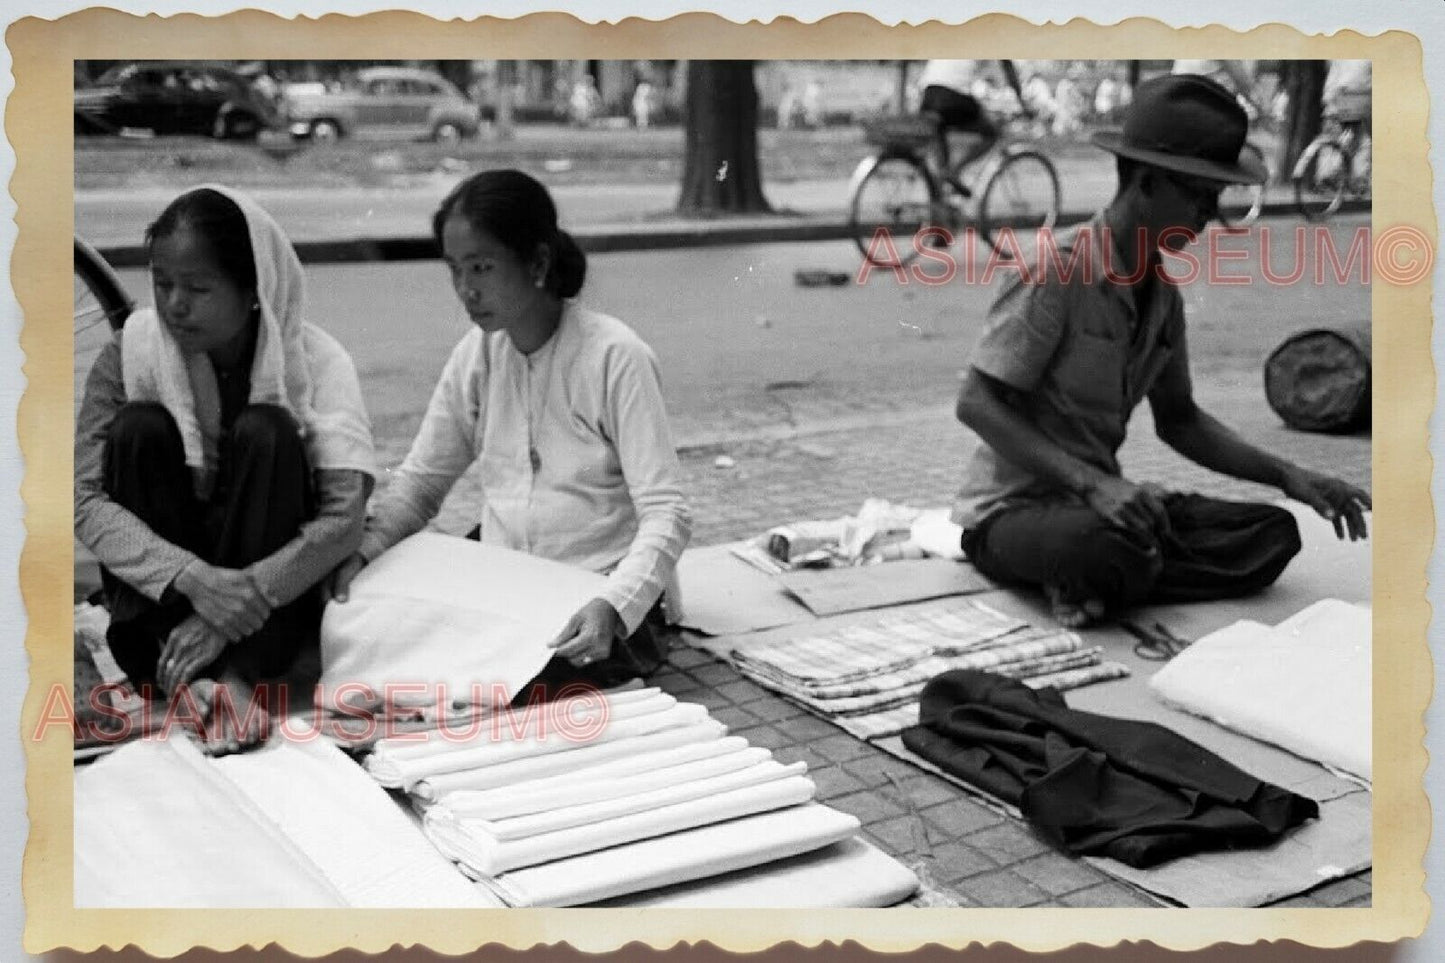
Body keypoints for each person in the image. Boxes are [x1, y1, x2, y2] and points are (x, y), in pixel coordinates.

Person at [951, 74, 1370, 627]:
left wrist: (1290, 476)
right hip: (1014, 514)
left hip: (1104, 505)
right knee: (1103, 549)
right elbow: (976, 404)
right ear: (1146, 183)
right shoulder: (1058, 269)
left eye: (1214, 197)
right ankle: (1100, 569)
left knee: (1273, 534)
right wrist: (1094, 485)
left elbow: (1181, 420)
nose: (1206, 214)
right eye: (1196, 195)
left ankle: (1107, 578)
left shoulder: (1162, 295)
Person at [327, 169, 692, 689]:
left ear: (538, 262)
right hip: (505, 579)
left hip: (596, 590)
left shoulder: (615, 357)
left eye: (480, 267)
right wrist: (364, 552)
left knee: (517, 676)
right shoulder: (476, 355)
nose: (466, 290)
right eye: (454, 270)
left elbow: (668, 513)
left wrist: (614, 605)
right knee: (365, 620)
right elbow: (424, 482)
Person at [74, 185, 376, 751]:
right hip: (161, 618)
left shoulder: (314, 361)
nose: (174, 305)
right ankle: (194, 680)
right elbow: (83, 497)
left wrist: (238, 603)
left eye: (198, 288)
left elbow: (344, 521)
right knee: (137, 428)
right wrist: (195, 580)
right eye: (162, 283)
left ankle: (234, 680)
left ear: (254, 291)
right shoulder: (131, 352)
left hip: (267, 618)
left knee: (270, 430)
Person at [917, 60, 1029, 181]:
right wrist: (1023, 104)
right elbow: (1009, 71)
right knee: (991, 133)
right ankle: (956, 170)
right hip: (953, 96)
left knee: (939, 128)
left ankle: (941, 187)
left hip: (927, 96)